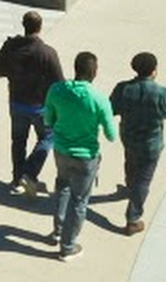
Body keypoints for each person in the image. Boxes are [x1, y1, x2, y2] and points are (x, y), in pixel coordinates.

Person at [44, 51, 116, 260]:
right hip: (86, 157)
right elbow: (111, 135)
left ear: (75, 68)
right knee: (79, 200)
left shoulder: (56, 90)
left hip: (61, 151)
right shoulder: (99, 99)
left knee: (62, 187)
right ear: (94, 72)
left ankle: (58, 230)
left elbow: (48, 120)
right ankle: (68, 246)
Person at [109, 51, 166, 235]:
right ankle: (133, 219)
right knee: (144, 180)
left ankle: (130, 186)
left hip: (129, 137)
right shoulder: (162, 94)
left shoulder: (123, 88)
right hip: (151, 145)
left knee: (131, 163)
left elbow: (112, 110)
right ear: (154, 71)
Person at [0, 10, 65, 197]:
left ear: (23, 25)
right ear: (40, 27)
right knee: (47, 137)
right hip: (40, 106)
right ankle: (30, 172)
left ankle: (17, 179)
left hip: (16, 103)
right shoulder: (48, 53)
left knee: (18, 141)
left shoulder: (11, 47)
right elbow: (59, 82)